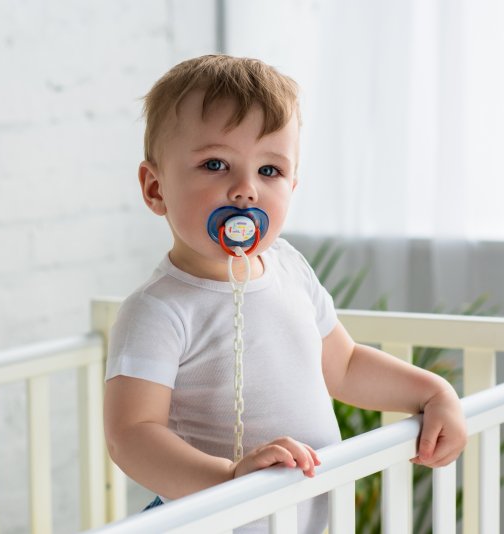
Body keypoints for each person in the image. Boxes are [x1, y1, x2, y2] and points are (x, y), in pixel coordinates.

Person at [103, 54, 467, 533]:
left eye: (270, 170)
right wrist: (230, 477)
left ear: (293, 184)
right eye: (215, 164)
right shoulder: (158, 310)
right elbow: (132, 434)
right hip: (217, 522)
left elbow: (345, 364)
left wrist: (432, 392)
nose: (245, 189)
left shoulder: (289, 267)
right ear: (155, 188)